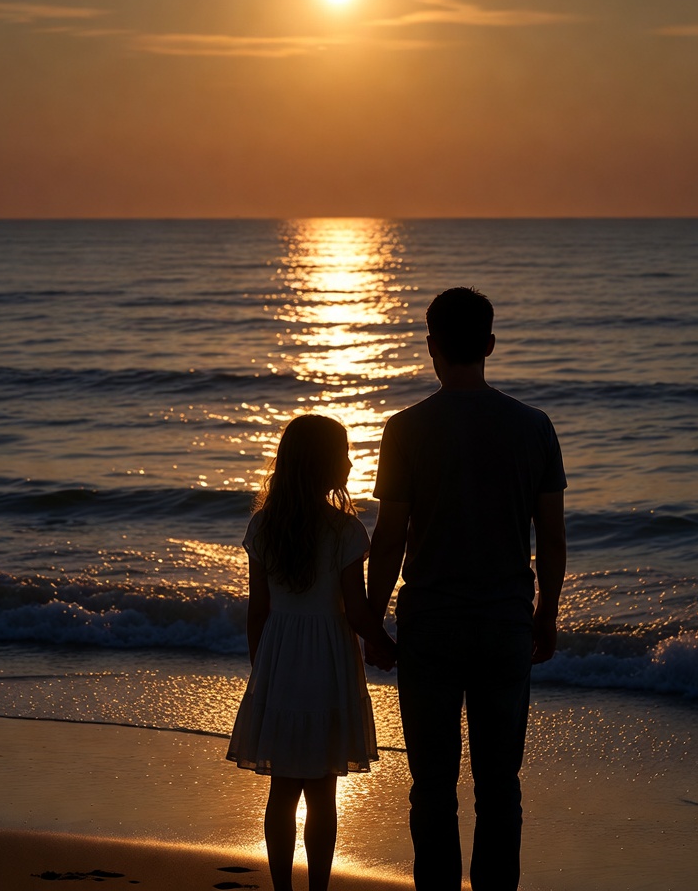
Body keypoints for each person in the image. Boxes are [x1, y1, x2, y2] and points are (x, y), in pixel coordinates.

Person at [365, 287, 567, 891]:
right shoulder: (534, 427)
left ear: (432, 347)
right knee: (499, 784)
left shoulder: (405, 429)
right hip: (505, 621)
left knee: (431, 786)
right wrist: (546, 614)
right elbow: (551, 540)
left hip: (429, 623)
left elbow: (390, 537)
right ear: (489, 345)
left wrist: (372, 620)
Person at [227, 414, 397, 891]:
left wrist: (262, 669)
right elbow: (358, 613)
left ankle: (284, 888)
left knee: (281, 791)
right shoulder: (344, 531)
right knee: (323, 792)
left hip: (279, 661)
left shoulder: (264, 526)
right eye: (342, 453)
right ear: (323, 464)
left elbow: (257, 612)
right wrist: (387, 646)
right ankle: (317, 889)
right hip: (328, 663)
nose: (349, 461)